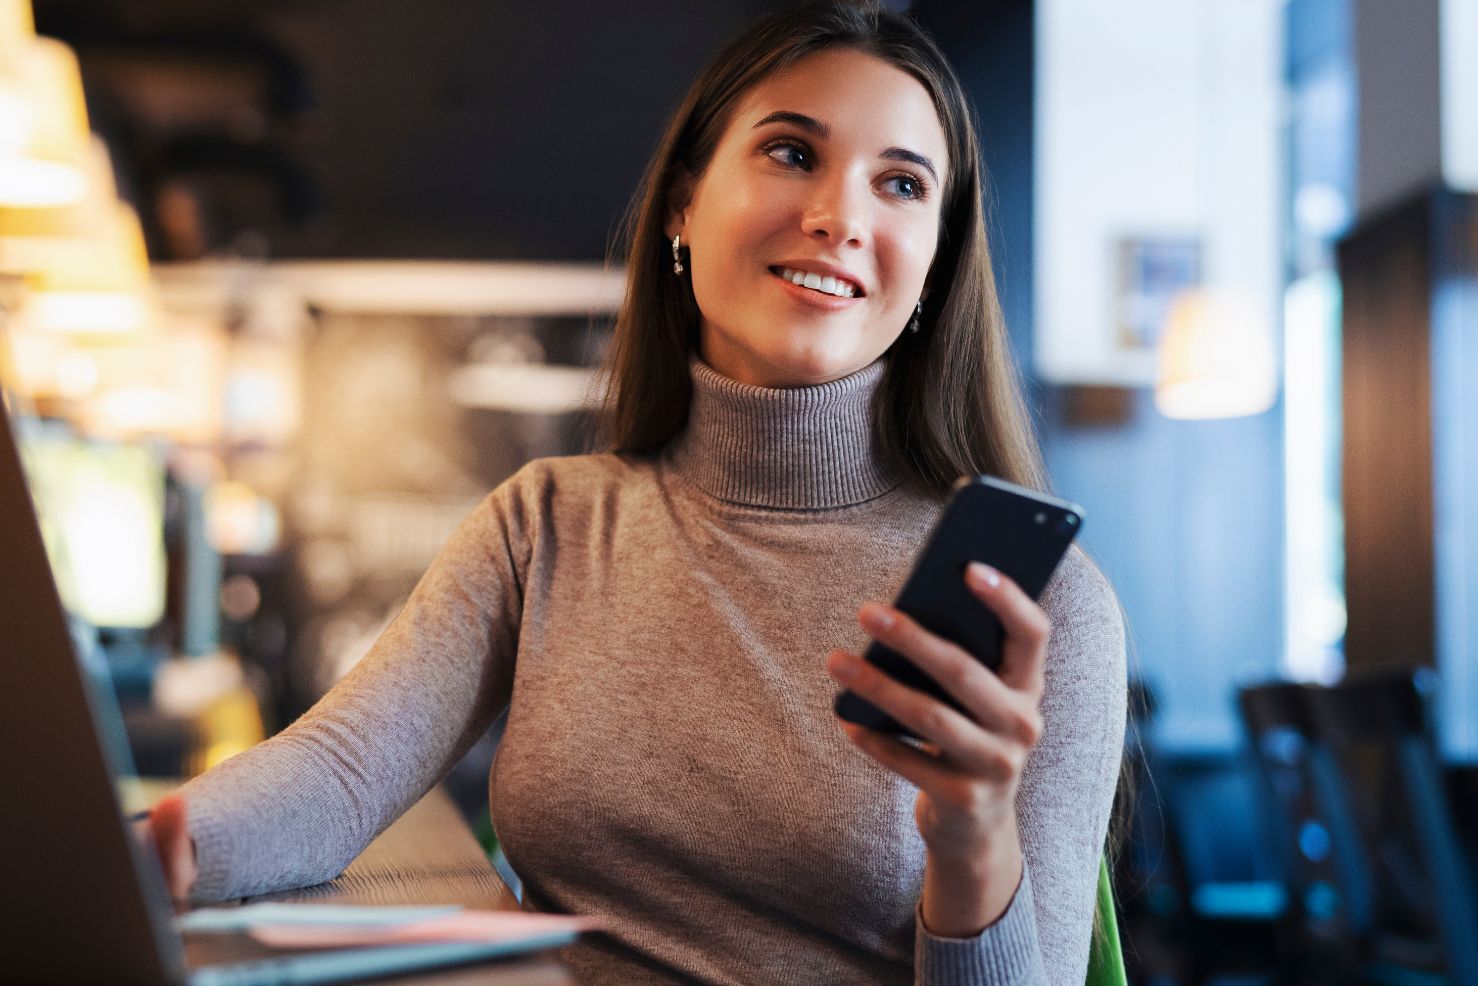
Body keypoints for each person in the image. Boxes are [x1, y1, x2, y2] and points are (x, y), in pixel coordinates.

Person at [145, 2, 1126, 983]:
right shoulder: (546, 524)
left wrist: (973, 844)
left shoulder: (1042, 605)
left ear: (935, 264)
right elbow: (336, 773)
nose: (841, 217)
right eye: (791, 154)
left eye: (901, 183)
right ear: (682, 206)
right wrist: (144, 849)